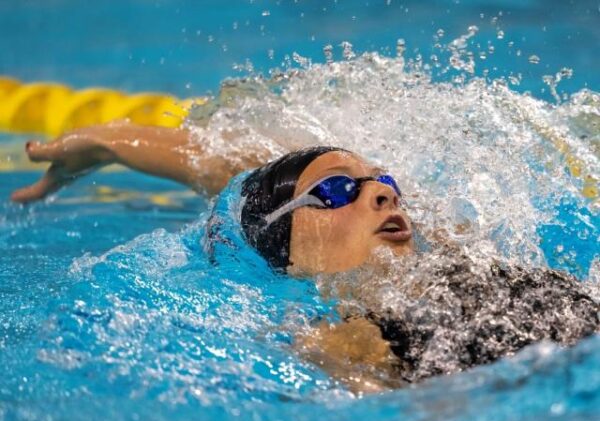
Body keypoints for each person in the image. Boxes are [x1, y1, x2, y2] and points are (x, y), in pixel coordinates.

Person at [11, 121, 599, 393]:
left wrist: (113, 142)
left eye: (383, 180)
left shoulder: (451, 247)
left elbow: (229, 164)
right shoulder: (348, 338)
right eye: (341, 191)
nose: (384, 192)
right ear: (285, 251)